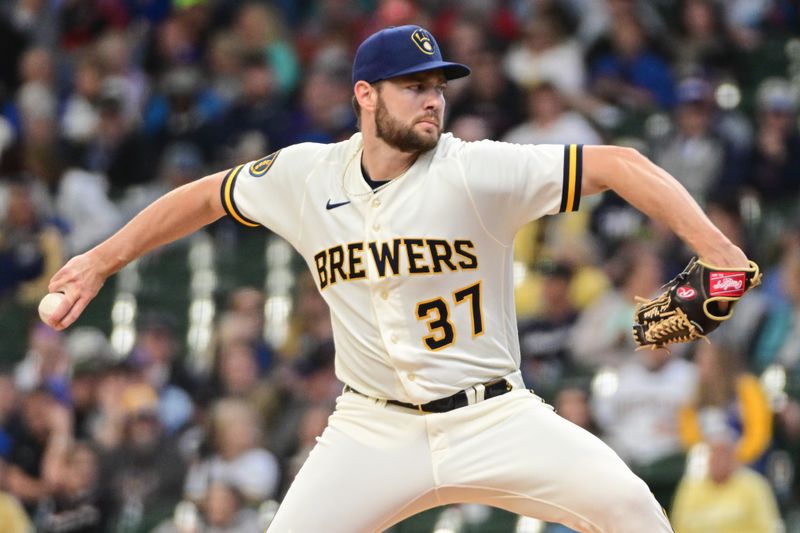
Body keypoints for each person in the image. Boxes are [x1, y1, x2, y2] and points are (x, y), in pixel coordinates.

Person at [43, 25, 753, 532]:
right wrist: (102, 259)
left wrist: (718, 251)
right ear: (364, 95)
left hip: (494, 415)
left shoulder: (475, 170)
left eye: (438, 86)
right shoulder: (304, 175)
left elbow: (620, 164)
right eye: (413, 86)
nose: (432, 100)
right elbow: (204, 195)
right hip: (371, 427)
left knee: (634, 513)